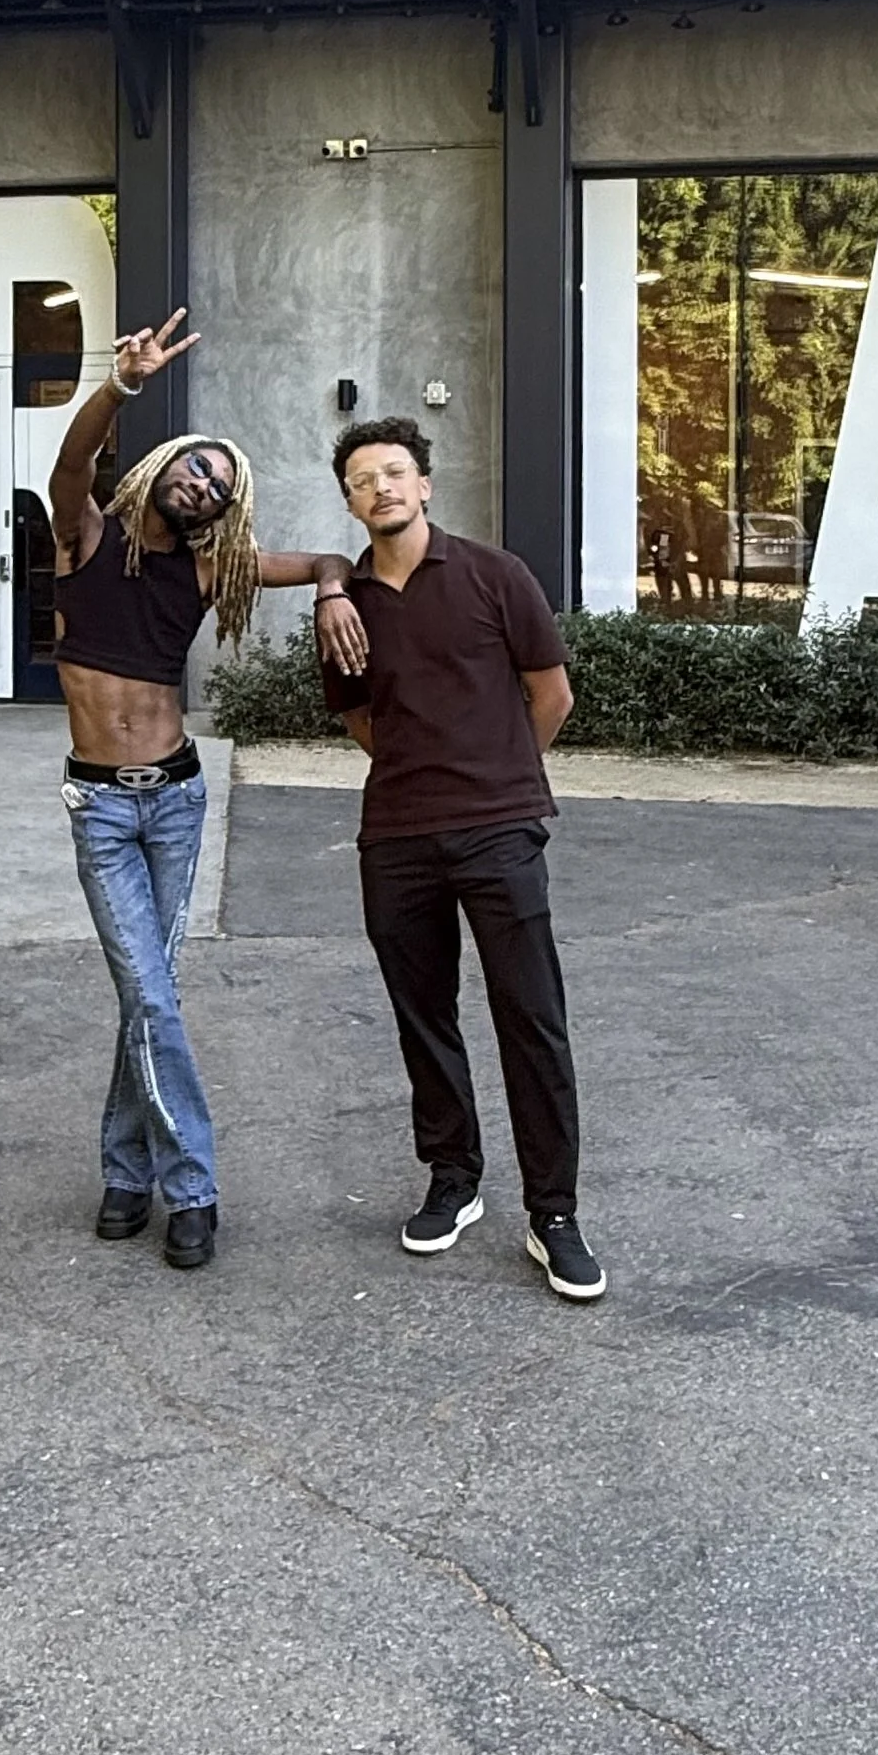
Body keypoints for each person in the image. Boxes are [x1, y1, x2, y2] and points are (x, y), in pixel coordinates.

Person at [49, 311, 362, 1272]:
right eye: (197, 467)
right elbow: (71, 461)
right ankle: (191, 1184)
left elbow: (327, 559)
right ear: (162, 467)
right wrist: (122, 386)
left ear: (222, 510)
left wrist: (333, 591)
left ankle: (124, 1175)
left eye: (221, 486)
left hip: (178, 802)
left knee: (148, 994)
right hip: (102, 809)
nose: (204, 484)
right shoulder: (83, 536)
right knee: (149, 993)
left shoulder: (209, 570)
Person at [321, 416, 605, 1303]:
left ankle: (553, 1214)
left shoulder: (495, 574)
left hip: (500, 830)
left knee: (532, 1018)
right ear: (350, 502)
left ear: (425, 485)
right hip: (397, 835)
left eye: (394, 472)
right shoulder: (346, 605)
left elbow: (551, 694)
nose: (381, 488)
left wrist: (499, 773)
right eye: (362, 480)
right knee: (425, 1017)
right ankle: (454, 1178)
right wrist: (421, 769)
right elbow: (357, 717)